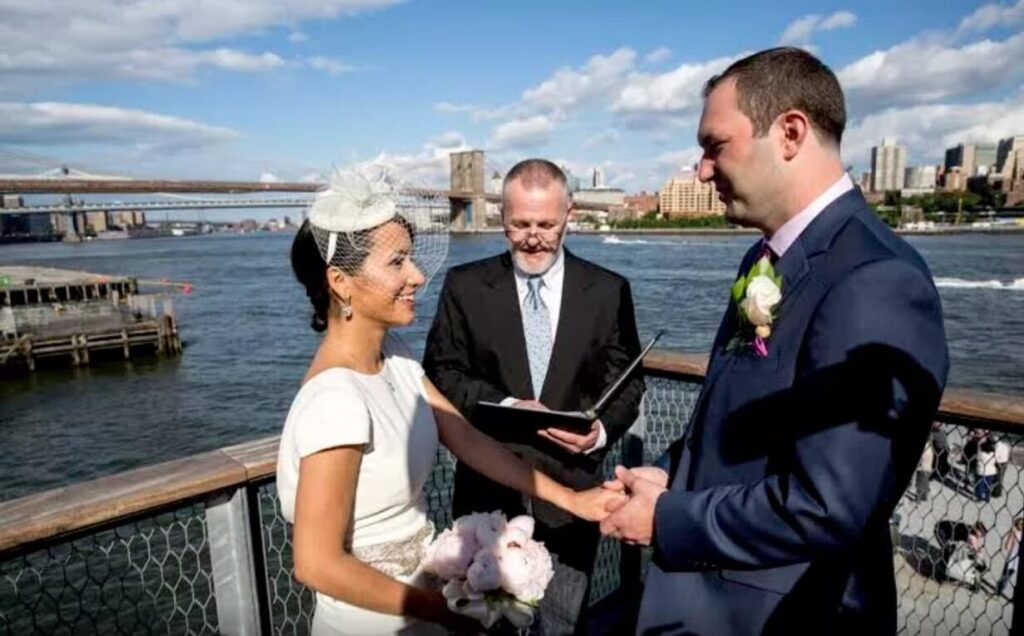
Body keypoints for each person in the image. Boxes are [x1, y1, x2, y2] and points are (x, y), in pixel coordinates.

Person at [599, 47, 949, 634]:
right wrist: (667, 471)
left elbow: (828, 505)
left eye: (715, 146)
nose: (702, 170)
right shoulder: (764, 258)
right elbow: (730, 417)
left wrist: (667, 519)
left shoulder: (873, 280)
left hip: (785, 614)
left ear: (789, 133)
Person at [276, 171, 621, 636]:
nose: (417, 275)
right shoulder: (336, 401)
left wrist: (573, 500)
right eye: (397, 263)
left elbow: (469, 439)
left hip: (426, 602)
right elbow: (316, 564)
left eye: (411, 258)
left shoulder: (395, 360)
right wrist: (445, 610)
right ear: (341, 282)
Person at [424, 159, 644, 634]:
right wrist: (506, 406)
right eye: (520, 224)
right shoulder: (464, 287)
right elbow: (441, 371)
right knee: (484, 628)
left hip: (573, 500)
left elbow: (628, 384)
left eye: (546, 224)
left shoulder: (609, 291)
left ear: (569, 215)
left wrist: (600, 434)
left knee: (563, 625)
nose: (533, 237)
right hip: (486, 498)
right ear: (502, 218)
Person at [935, 520, 988, 589]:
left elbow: (977, 547)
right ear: (977, 530)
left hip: (946, 531)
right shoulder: (971, 535)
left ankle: (944, 568)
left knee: (953, 551)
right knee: (948, 551)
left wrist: (982, 560)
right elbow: (976, 549)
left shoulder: (972, 531)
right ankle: (940, 574)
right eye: (982, 534)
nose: (982, 536)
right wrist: (983, 563)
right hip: (940, 531)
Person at [997, 517, 1023, 597]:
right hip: (1015, 559)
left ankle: (999, 590)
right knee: (1007, 576)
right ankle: (999, 590)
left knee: (1006, 576)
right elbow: (1007, 545)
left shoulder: (1017, 533)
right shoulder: (1016, 533)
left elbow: (1007, 546)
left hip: (1014, 559)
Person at [975, 436, 998, 502]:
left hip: (981, 472)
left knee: (980, 485)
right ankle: (987, 498)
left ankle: (979, 498)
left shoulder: (981, 454)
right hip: (991, 472)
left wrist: (979, 443)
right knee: (988, 485)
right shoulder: (993, 454)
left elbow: (978, 451)